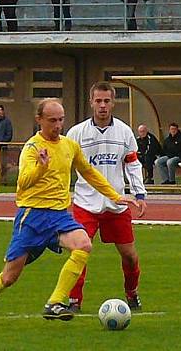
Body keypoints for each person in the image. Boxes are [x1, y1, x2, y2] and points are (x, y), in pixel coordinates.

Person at [0, 98, 139, 324]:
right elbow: (23, 183)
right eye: (52, 120)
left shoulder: (69, 145)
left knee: (84, 244)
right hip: (32, 217)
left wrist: (115, 195)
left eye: (61, 120)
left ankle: (55, 302)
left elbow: (89, 172)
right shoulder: (32, 148)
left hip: (58, 216)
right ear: (39, 120)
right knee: (9, 277)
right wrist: (41, 168)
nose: (58, 125)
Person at [66, 82, 148, 312]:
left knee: (130, 256)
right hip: (85, 203)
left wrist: (139, 193)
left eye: (107, 101)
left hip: (117, 204)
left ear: (113, 102)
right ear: (91, 102)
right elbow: (64, 165)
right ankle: (74, 301)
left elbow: (132, 163)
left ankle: (132, 293)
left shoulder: (123, 131)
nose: (102, 105)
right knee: (79, 251)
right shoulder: (76, 133)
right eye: (98, 101)